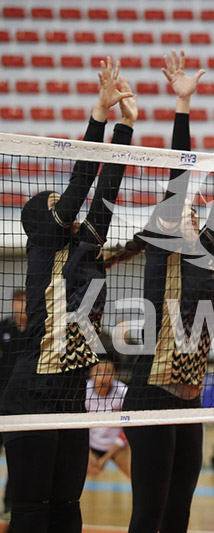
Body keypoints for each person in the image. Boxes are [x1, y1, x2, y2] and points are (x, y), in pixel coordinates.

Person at [105, 49, 214, 533]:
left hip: (189, 398)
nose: (194, 211)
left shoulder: (207, 251)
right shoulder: (167, 248)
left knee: (179, 513)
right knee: (150, 514)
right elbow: (181, 173)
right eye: (185, 210)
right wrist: (183, 106)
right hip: (152, 392)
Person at [0, 58, 137, 533]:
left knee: (67, 510)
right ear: (44, 221)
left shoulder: (82, 252)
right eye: (56, 205)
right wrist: (98, 116)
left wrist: (126, 129)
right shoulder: (43, 250)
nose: (66, 205)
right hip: (31, 394)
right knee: (33, 512)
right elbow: (83, 183)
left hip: (68, 398)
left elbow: (106, 192)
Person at [0, 288, 27, 519]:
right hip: (0, 401)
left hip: (21, 406)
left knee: (16, 456)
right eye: (18, 302)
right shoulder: (3, 328)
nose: (22, 307)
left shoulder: (37, 330)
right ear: (12, 305)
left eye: (25, 302)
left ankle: (9, 505)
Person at [86, 356, 130, 478]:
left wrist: (106, 458)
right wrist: (87, 452)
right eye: (98, 371)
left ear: (114, 374)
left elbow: (129, 426)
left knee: (136, 473)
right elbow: (74, 426)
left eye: (108, 371)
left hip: (118, 447)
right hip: (88, 445)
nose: (103, 376)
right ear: (91, 374)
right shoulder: (82, 391)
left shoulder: (123, 393)